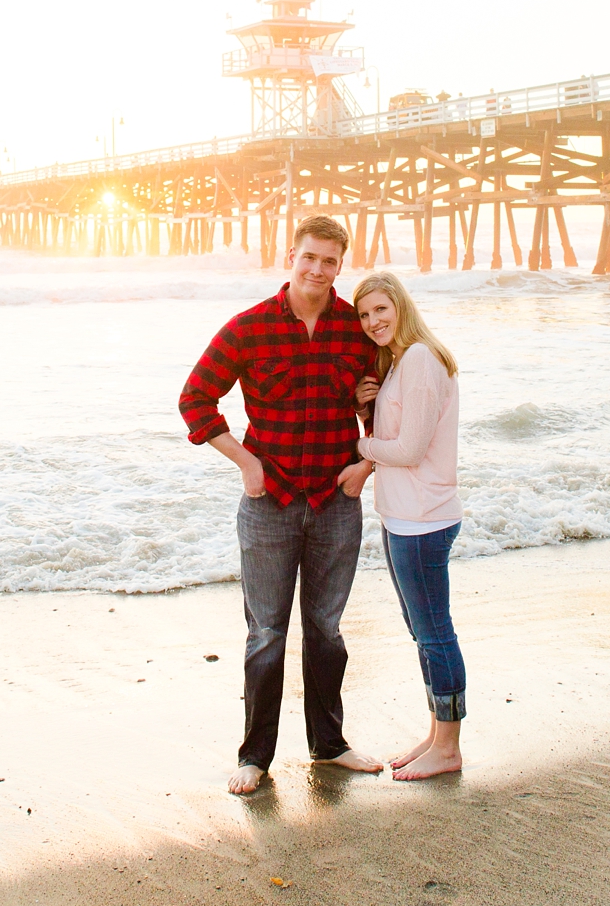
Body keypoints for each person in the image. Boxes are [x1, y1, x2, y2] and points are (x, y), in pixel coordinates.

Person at [178, 214, 384, 795]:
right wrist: (246, 463)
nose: (318, 270)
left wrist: (364, 469)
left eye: (330, 261)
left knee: (326, 628)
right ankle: (255, 757)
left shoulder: (356, 329)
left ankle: (330, 745)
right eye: (309, 258)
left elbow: (395, 409)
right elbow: (195, 398)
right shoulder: (249, 328)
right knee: (266, 632)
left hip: (336, 502)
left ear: (341, 266)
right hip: (269, 504)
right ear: (289, 257)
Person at [340, 272, 466, 779]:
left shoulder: (417, 360)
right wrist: (364, 405)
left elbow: (409, 450)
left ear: (401, 306)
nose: (372, 323)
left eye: (380, 311)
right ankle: (438, 733)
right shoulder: (400, 362)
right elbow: (403, 430)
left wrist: (361, 449)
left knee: (434, 633)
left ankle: (450, 747)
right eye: (364, 315)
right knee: (423, 631)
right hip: (405, 515)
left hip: (423, 519)